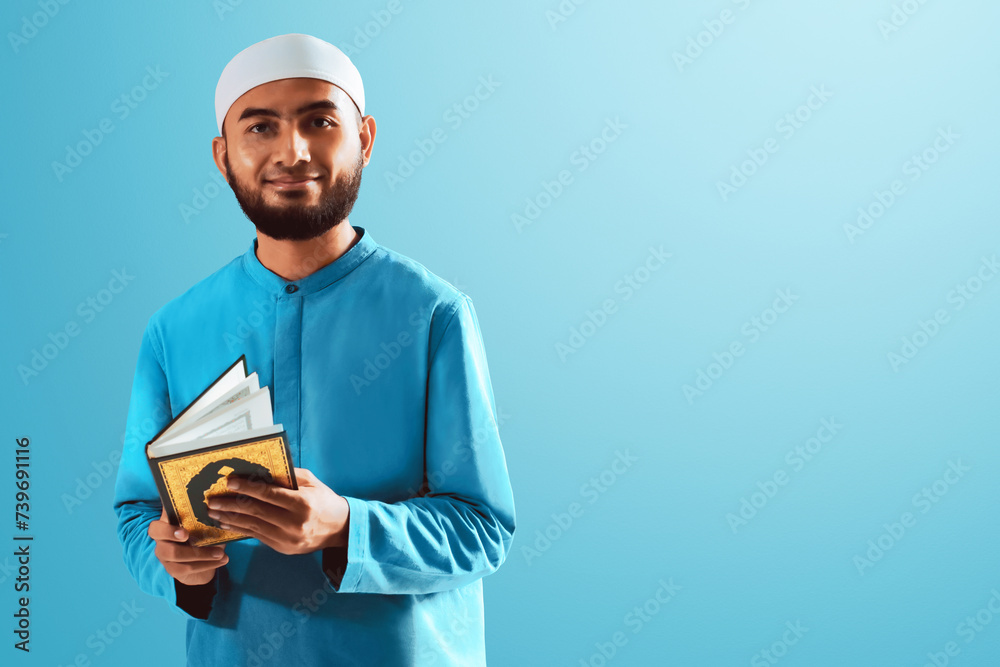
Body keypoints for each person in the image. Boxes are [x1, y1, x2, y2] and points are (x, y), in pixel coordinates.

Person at [112, 33, 516, 666]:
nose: (291, 152)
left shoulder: (433, 314)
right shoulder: (174, 330)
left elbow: (483, 530)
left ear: (365, 138)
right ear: (223, 157)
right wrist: (177, 566)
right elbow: (137, 513)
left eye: (319, 121)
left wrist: (347, 527)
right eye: (260, 128)